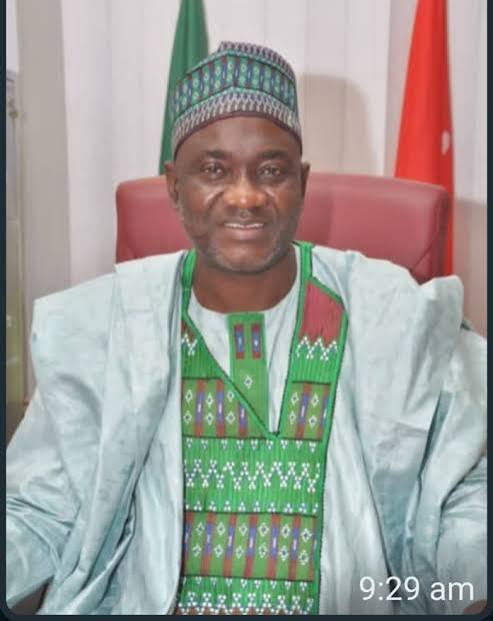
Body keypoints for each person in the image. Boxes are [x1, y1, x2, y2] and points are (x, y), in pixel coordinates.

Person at [6, 41, 486, 616]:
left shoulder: (394, 315)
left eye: (271, 171)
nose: (245, 196)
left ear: (302, 183)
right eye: (213, 170)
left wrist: (471, 586)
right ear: (173, 186)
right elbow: (36, 511)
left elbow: (467, 494)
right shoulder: (101, 329)